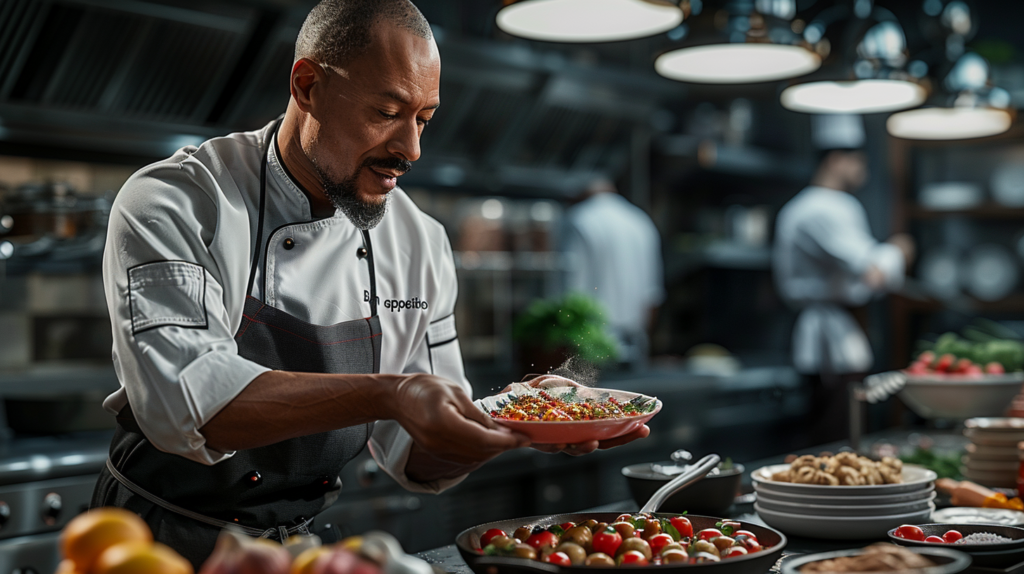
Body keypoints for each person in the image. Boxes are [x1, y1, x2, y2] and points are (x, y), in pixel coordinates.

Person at [93, 1, 649, 566]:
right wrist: (393, 393)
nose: (411, 150)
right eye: (387, 112)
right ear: (307, 86)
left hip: (301, 552)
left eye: (424, 119)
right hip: (157, 544)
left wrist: (519, 423)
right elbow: (188, 401)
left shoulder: (420, 242)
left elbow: (418, 456)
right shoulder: (177, 201)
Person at [773, 115, 914, 444]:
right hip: (829, 337)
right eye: (857, 159)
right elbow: (873, 271)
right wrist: (900, 250)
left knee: (840, 426)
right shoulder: (820, 209)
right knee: (835, 435)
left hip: (839, 327)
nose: (862, 168)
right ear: (836, 160)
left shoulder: (824, 206)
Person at [561, 177, 665, 369]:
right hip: (635, 343)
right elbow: (652, 297)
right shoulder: (640, 221)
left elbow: (570, 293)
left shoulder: (578, 219)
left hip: (589, 345)